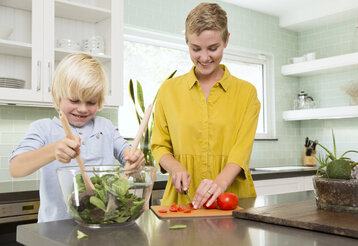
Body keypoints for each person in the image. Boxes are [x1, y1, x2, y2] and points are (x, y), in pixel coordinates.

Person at [9, 53, 144, 222]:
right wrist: (53, 150)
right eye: (74, 100)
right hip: (54, 230)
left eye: (91, 102)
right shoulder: (44, 129)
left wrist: (135, 158)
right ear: (58, 97)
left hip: (101, 226)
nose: (82, 109)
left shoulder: (106, 127)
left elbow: (131, 161)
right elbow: (16, 168)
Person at [151, 2, 261, 209]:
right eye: (195, 49)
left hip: (231, 198)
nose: (204, 57)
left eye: (213, 48)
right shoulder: (168, 90)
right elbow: (158, 145)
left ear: (226, 40)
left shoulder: (247, 93)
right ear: (187, 42)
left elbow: (241, 150)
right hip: (182, 199)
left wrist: (219, 184)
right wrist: (175, 168)